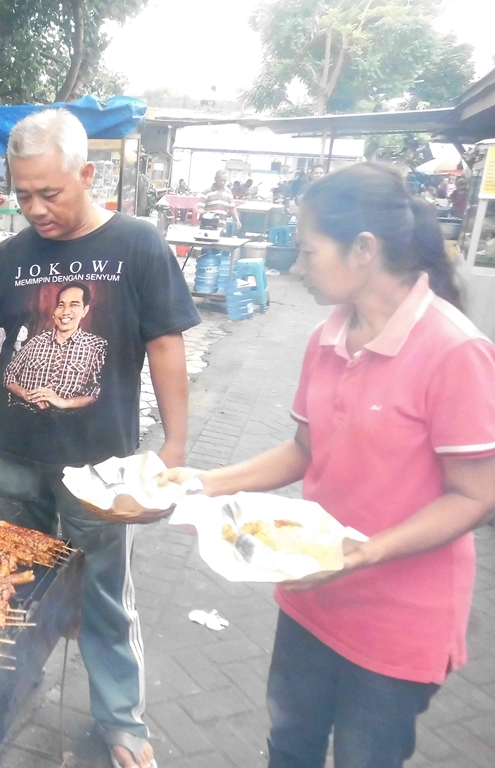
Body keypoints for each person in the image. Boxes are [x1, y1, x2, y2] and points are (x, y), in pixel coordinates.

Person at [0, 108, 200, 768]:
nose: (35, 208)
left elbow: (167, 345)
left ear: (88, 175)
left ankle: (122, 723)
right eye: (22, 194)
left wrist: (174, 446)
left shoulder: (139, 246)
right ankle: (4, 696)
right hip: (19, 461)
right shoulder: (12, 255)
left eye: (49, 193)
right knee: (10, 585)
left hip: (102, 468)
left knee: (104, 599)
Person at [159, 163, 495, 768]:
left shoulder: (456, 350)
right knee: (290, 746)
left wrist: (363, 552)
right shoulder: (328, 335)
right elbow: (305, 450)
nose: (294, 268)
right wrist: (205, 483)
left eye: (308, 251)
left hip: (397, 623)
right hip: (312, 595)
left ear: (363, 250)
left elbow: (475, 496)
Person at [3, 281, 107, 411]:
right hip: (24, 415)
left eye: (74, 305)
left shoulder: (97, 347)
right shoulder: (36, 342)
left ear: (85, 310)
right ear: (54, 311)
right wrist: (25, 394)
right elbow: (9, 374)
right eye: (61, 305)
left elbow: (98, 391)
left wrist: (63, 402)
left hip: (69, 422)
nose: (65, 312)